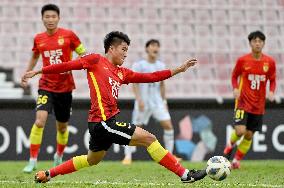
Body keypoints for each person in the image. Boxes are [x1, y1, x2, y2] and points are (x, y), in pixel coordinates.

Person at [24, 31, 207, 184]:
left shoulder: (122, 72)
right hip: (102, 122)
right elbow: (68, 65)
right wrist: (40, 70)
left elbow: (151, 77)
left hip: (102, 123)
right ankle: (185, 175)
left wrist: (178, 69)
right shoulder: (95, 60)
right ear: (111, 48)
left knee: (91, 160)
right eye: (124, 49)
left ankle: (48, 174)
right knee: (149, 139)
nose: (126, 54)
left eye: (127, 50)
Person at [21, 4, 87, 173]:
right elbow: (35, 56)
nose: (50, 20)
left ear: (58, 18)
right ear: (42, 18)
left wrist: (89, 65)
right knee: (39, 121)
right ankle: (33, 160)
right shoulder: (39, 38)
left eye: (53, 16)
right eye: (47, 17)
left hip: (65, 88)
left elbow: (83, 53)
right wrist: (29, 73)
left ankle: (58, 155)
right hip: (46, 85)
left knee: (62, 127)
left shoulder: (69, 35)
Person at [223, 31, 276, 169]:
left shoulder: (269, 62)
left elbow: (273, 79)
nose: (257, 43)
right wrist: (235, 88)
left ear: (263, 43)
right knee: (240, 131)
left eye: (260, 41)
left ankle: (236, 161)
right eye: (254, 41)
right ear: (250, 43)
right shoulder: (243, 60)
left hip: (258, 105)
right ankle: (228, 149)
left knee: (248, 135)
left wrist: (271, 91)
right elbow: (234, 76)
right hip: (242, 102)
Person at [122, 39, 179, 165]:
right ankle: (128, 156)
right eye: (153, 45)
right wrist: (139, 100)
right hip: (143, 102)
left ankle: (170, 155)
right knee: (135, 129)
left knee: (168, 126)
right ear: (147, 48)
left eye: (157, 46)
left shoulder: (161, 65)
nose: (156, 48)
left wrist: (164, 102)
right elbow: (134, 83)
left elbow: (162, 85)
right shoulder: (139, 65)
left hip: (157, 102)